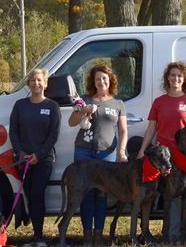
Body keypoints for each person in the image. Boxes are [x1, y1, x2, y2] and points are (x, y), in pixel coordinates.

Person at [136, 61, 186, 243]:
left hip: (184, 156)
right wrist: (142, 150)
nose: (176, 78)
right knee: (168, 196)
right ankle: (170, 235)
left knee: (184, 196)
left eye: (179, 75)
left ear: (184, 78)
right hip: (163, 156)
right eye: (173, 75)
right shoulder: (159, 102)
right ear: (167, 78)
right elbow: (151, 128)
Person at [68, 64, 128, 246]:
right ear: (93, 82)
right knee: (85, 195)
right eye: (97, 79)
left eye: (104, 78)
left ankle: (98, 235)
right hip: (84, 151)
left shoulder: (118, 104)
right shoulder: (84, 100)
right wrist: (84, 111)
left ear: (110, 80)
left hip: (106, 155)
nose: (101, 81)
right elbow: (71, 122)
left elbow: (123, 130)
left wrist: (121, 150)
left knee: (101, 196)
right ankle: (86, 235)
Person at [9, 68, 61, 247]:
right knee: (30, 196)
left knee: (38, 194)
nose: (36, 83)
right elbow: (13, 132)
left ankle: (39, 237)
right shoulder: (20, 105)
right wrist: (22, 153)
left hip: (44, 159)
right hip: (23, 159)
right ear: (28, 84)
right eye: (32, 80)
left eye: (39, 80)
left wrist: (38, 155)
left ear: (45, 83)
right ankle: (35, 234)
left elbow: (53, 135)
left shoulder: (52, 107)